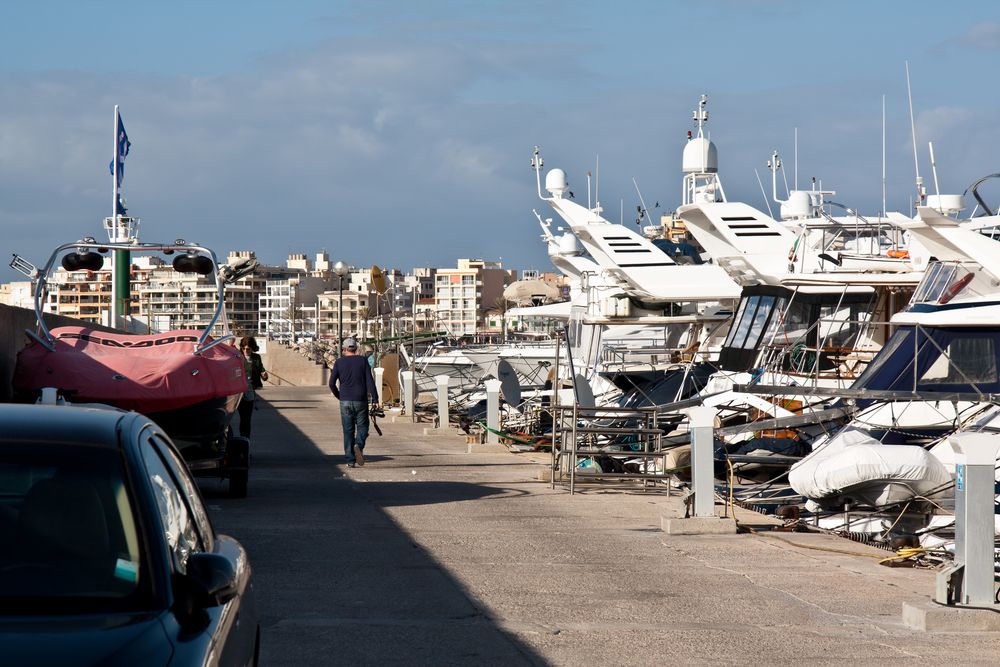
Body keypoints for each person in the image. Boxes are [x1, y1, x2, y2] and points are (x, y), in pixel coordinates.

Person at [329, 337, 379, 468]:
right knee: (363, 427)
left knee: (348, 431)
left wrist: (338, 395)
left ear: (344, 349)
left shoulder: (339, 362)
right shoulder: (363, 361)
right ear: (356, 348)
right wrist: (375, 399)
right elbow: (370, 381)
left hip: (345, 400)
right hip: (360, 400)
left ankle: (350, 460)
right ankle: (359, 445)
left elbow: (331, 383)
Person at [237, 336, 268, 439]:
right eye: (244, 348)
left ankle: (245, 440)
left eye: (248, 349)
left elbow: (262, 371)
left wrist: (264, 375)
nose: (246, 351)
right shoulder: (237, 357)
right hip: (237, 392)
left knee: (246, 419)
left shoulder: (256, 358)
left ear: (252, 348)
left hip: (250, 391)